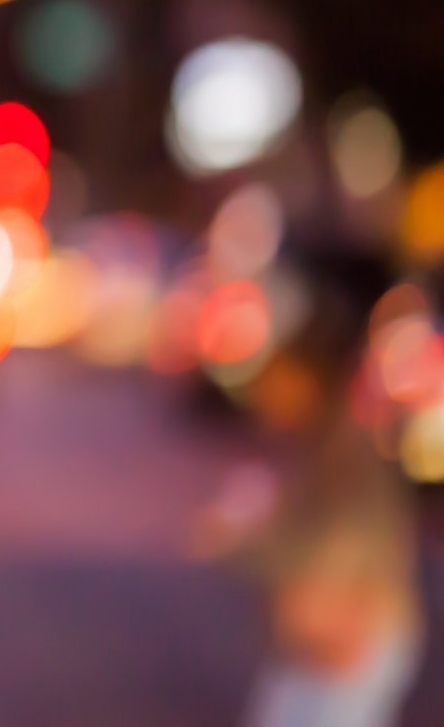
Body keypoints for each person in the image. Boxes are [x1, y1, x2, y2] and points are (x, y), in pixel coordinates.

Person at [194, 247, 422, 727]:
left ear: (305, 374)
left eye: (274, 373)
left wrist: (246, 539)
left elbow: (336, 591)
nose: (261, 390)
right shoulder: (318, 448)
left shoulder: (343, 458)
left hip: (342, 656)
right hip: (333, 655)